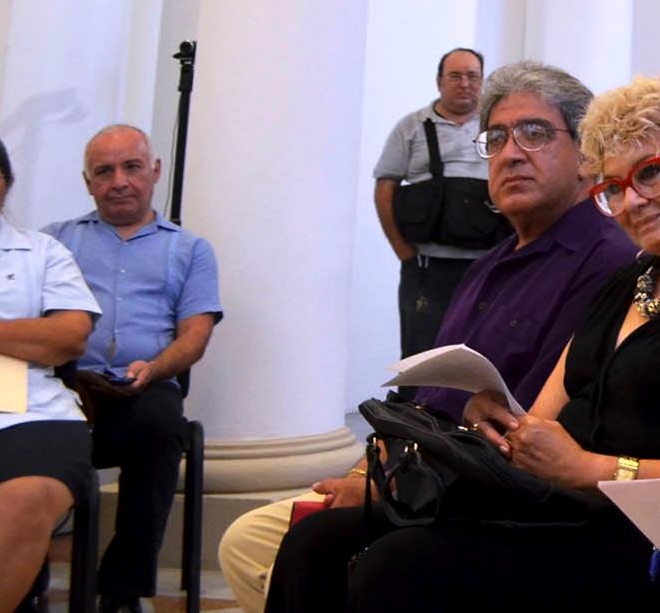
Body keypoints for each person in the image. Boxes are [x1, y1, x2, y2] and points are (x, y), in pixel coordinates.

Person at [270, 74, 660, 613]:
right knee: (316, 544)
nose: (631, 202)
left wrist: (589, 467)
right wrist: (499, 417)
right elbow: (541, 418)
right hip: (563, 508)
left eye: (650, 174)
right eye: (612, 187)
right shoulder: (630, 281)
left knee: (400, 568)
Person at [218, 62, 635, 612]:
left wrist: (380, 489)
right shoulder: (488, 265)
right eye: (497, 138)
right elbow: (423, 400)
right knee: (258, 539)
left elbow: (526, 425)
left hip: (494, 494)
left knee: (290, 547)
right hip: (422, 473)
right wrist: (367, 470)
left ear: (586, 157)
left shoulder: (608, 262)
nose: (511, 153)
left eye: (535, 133)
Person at [45, 124, 223, 613]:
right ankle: (24, 577)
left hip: (141, 388)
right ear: (88, 182)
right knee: (18, 422)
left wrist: (157, 366)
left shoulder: (189, 249)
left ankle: (121, 592)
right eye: (104, 171)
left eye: (131, 167)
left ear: (155, 172)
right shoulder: (55, 242)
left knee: (161, 427)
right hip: (63, 386)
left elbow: (195, 334)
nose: (119, 181)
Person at [0, 137, 101, 612]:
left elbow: (68, 336)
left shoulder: (40, 251)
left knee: (24, 497)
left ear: (4, 183)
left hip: (30, 407)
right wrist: (20, 333)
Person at [374, 48, 501, 362]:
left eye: (473, 76)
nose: (465, 83)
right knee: (423, 359)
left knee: (486, 357)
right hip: (427, 269)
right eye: (455, 76)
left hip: (490, 267)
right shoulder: (411, 127)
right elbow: (385, 188)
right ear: (439, 81)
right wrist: (403, 252)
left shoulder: (499, 129)